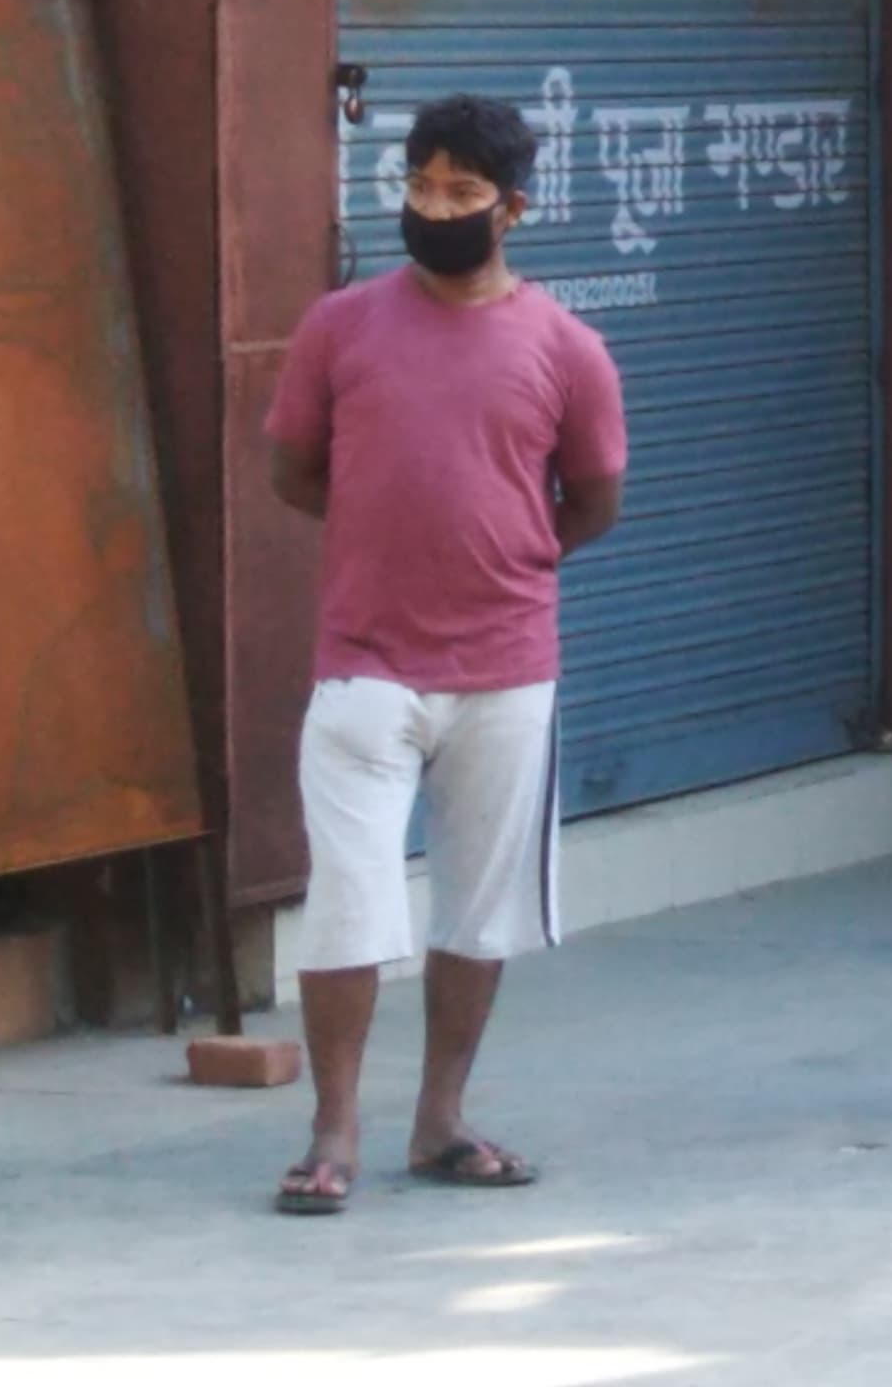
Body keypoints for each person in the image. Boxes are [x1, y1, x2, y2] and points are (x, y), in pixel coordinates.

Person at [263, 93, 627, 1213]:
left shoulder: (567, 347)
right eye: (419, 185)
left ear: (513, 208)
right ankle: (333, 1135)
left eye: (462, 193)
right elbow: (292, 471)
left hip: (508, 669)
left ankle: (440, 1121)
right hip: (363, 667)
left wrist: (503, 562)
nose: (435, 207)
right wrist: (389, 541)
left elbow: (594, 500)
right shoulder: (340, 326)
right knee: (347, 902)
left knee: (478, 910)